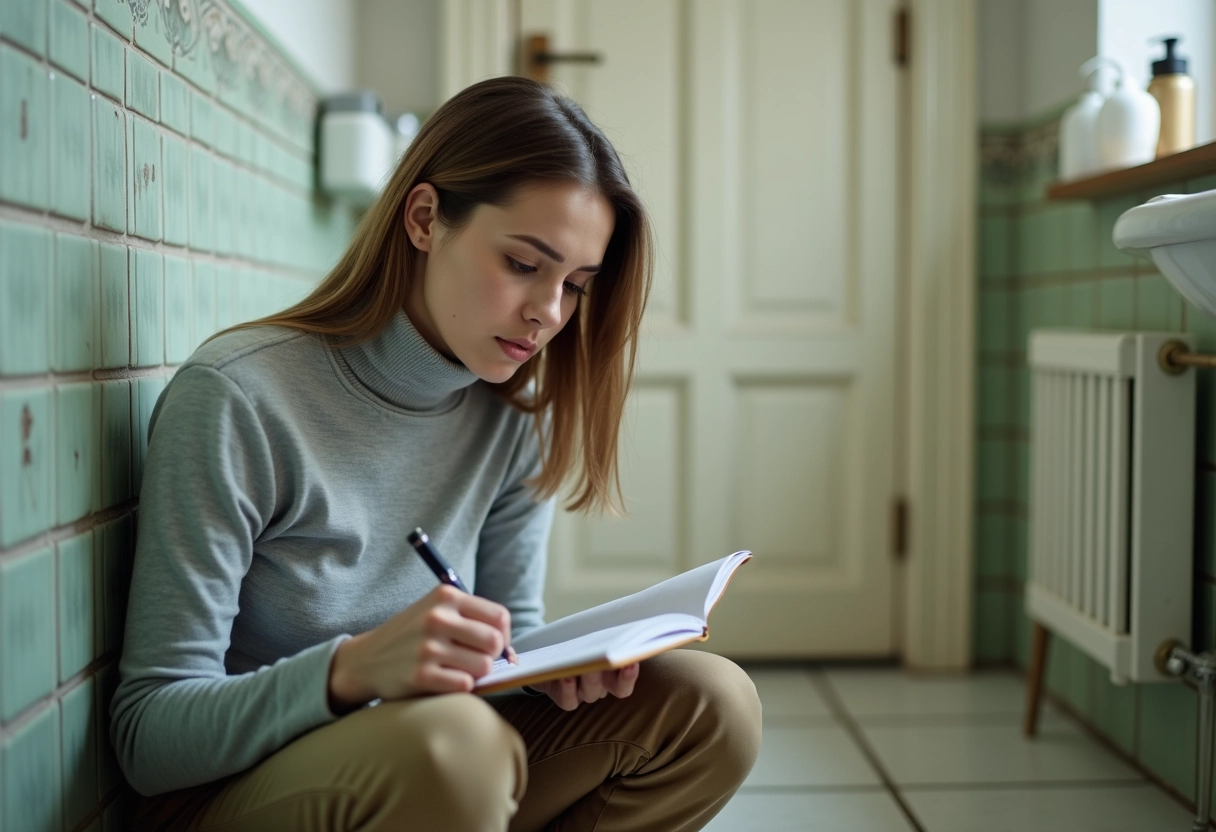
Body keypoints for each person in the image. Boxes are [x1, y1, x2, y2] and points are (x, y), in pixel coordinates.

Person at [112, 75, 762, 832]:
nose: (547, 313)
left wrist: (553, 672)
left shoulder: (515, 420)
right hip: (235, 791)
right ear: (425, 218)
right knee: (459, 748)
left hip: (443, 773)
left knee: (713, 706)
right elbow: (147, 737)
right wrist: (351, 671)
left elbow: (509, 646)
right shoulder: (236, 398)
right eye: (524, 264)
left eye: (576, 285)